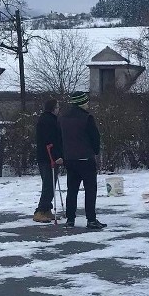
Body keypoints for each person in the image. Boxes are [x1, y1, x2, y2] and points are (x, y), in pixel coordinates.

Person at [58, 91, 106, 230]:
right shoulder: (87, 118)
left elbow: (60, 138)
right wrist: (95, 151)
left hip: (70, 159)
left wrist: (63, 153)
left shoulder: (63, 118)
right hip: (85, 158)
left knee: (72, 190)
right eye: (86, 101)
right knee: (90, 189)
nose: (87, 104)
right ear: (81, 102)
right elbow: (95, 137)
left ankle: (70, 219)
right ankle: (91, 219)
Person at [33, 98, 64, 223]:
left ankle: (46, 209)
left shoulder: (48, 119)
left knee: (51, 184)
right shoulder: (48, 121)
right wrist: (56, 157)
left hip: (46, 156)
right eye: (57, 107)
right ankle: (40, 210)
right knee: (48, 185)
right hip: (48, 157)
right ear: (53, 108)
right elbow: (50, 141)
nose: (58, 109)